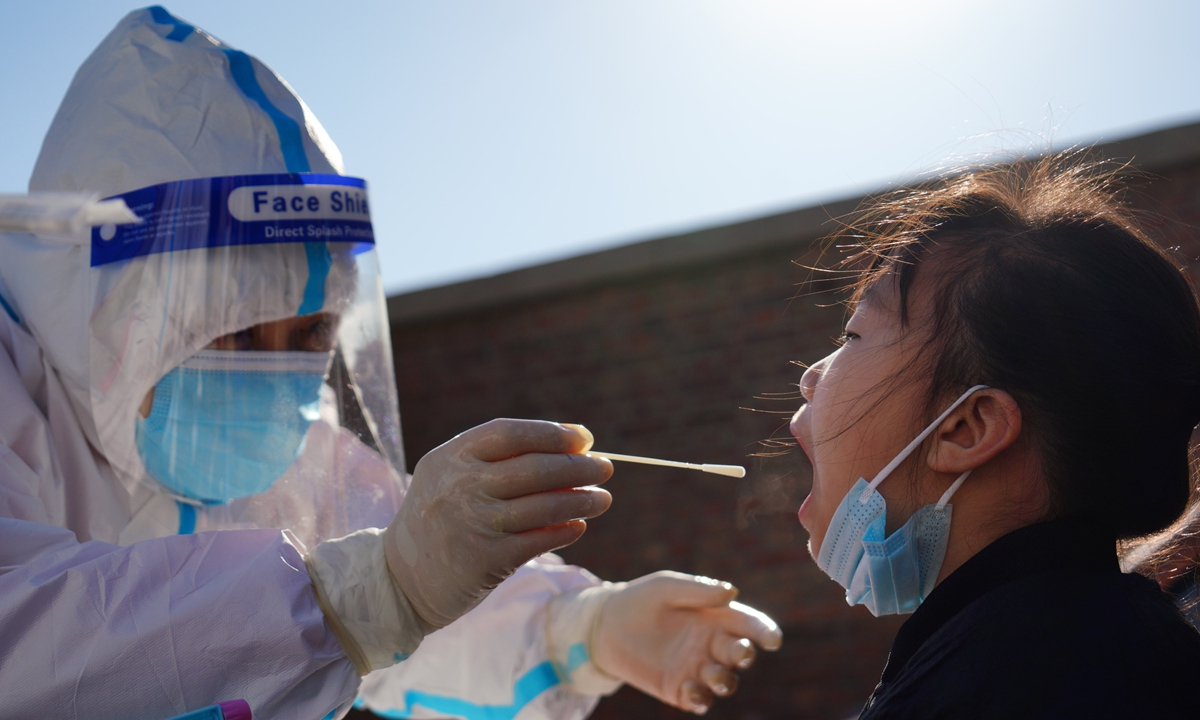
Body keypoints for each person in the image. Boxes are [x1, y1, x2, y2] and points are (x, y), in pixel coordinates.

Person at [0, 7, 779, 719]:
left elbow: (408, 581)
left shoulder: (297, 463)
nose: (275, 378)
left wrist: (578, 630)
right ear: (99, 303)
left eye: (312, 333)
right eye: (234, 332)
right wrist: (364, 595)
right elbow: (27, 644)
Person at [789, 153, 1200, 718]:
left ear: (968, 427)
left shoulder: (1007, 681)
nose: (811, 378)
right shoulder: (1118, 646)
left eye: (853, 334)